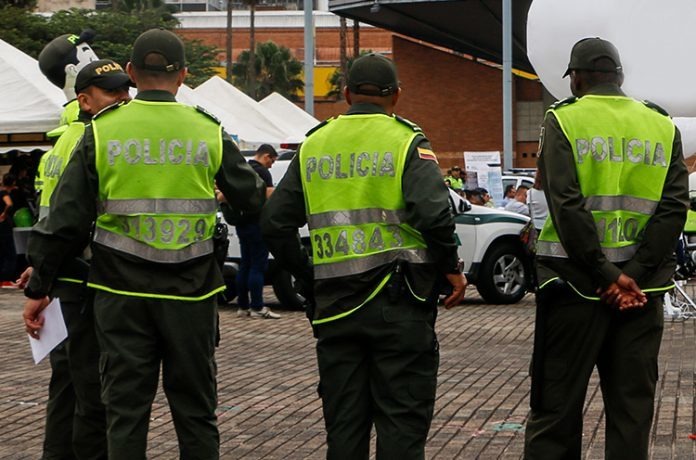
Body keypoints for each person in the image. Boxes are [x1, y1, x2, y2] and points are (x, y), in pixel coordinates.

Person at [22, 28, 265, 460]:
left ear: (132, 73)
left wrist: (39, 285)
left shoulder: (100, 132)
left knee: (124, 411)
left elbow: (65, 221)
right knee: (195, 411)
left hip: (120, 294)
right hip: (192, 295)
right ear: (184, 75)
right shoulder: (207, 129)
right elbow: (249, 199)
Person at [260, 52, 467, 459]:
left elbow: (274, 224)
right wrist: (451, 269)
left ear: (348, 93)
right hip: (400, 304)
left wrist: (307, 276)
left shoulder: (314, 143)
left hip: (335, 307)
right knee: (402, 422)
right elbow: (434, 215)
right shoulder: (407, 140)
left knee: (345, 426)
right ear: (397, 96)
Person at [524, 37, 688, 460]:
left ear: (576, 78)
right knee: (631, 414)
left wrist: (606, 273)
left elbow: (565, 204)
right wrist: (632, 272)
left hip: (573, 288)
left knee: (555, 411)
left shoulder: (563, 120)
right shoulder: (661, 125)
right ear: (619, 76)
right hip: (641, 294)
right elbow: (673, 208)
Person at [19, 58, 132, 460]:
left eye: (126, 89)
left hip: (61, 274)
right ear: (84, 100)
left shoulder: (62, 139)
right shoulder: (93, 139)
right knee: (91, 394)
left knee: (66, 387)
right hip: (82, 279)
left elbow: (51, 216)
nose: (124, 98)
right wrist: (43, 279)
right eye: (113, 92)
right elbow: (69, 220)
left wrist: (42, 269)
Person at [228, 143, 281, 319]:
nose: (271, 165)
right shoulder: (263, 173)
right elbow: (269, 195)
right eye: (272, 161)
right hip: (257, 223)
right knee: (258, 265)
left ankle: (243, 306)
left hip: (242, 223)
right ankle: (257, 306)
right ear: (266, 156)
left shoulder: (243, 169)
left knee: (245, 264)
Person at [0, 175, 14, 285]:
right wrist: (4, 214)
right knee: (9, 252)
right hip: (4, 225)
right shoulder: (4, 193)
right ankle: (6, 278)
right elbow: (9, 204)